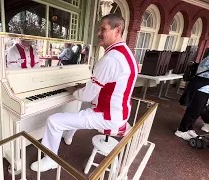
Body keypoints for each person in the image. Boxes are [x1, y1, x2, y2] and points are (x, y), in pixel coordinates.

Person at [30, 14, 138, 172]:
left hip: (107, 116)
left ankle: (50, 160)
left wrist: (73, 90)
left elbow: (87, 95)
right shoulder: (126, 53)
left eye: (103, 29)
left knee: (54, 120)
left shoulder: (110, 59)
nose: (98, 33)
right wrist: (84, 86)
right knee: (79, 109)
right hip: (120, 112)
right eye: (99, 29)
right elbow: (108, 86)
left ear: (118, 30)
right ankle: (68, 135)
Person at [176, 55, 209, 140]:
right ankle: (181, 131)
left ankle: (189, 128)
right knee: (193, 111)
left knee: (198, 111)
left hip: (204, 88)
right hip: (201, 88)